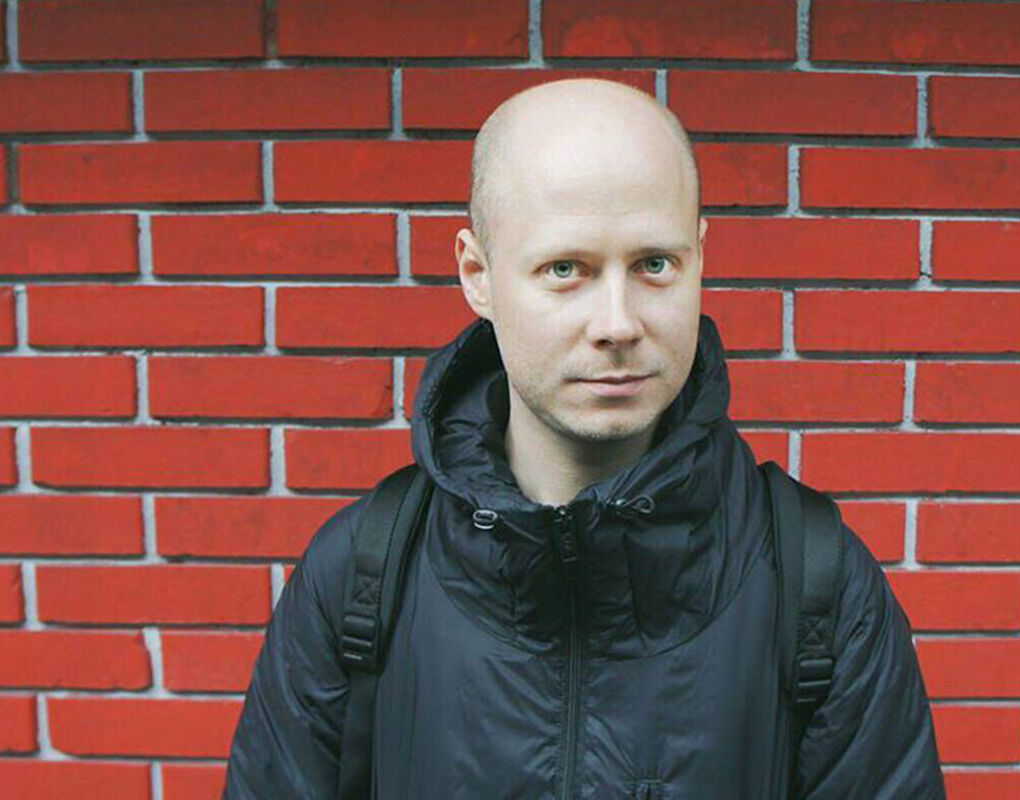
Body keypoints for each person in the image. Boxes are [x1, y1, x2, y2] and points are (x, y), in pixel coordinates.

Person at [222, 78, 946, 798]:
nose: (618, 323)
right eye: (565, 269)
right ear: (478, 275)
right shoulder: (362, 577)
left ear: (700, 258)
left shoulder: (818, 586)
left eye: (654, 265)